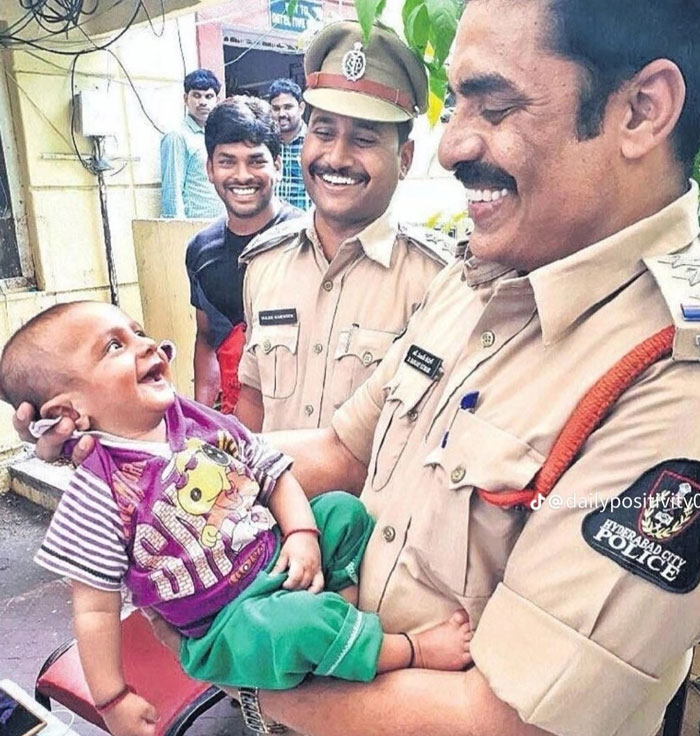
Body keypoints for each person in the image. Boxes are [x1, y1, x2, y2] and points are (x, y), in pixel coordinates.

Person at [15, 0, 700, 733]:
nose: (452, 147)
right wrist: (132, 447)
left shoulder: (672, 380)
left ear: (642, 111)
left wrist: (243, 670)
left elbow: (504, 721)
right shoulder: (483, 279)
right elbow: (343, 449)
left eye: (495, 107)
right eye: (457, 110)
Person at [0, 300, 473, 736]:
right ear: (68, 410)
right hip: (227, 623)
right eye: (114, 346)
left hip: (277, 560)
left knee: (342, 514)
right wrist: (113, 699)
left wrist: (303, 533)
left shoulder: (199, 422)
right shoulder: (96, 493)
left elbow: (273, 470)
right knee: (299, 626)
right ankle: (407, 649)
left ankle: (339, 620)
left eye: (138, 331)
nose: (146, 344)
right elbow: (94, 609)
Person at [235, 22, 453, 433]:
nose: (336, 157)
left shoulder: (436, 283)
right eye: (323, 132)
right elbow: (253, 403)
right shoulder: (265, 265)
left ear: (404, 158)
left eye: (364, 139)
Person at [185, 96, 303, 414]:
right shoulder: (201, 251)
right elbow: (208, 339)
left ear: (276, 164)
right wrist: (204, 418)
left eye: (255, 161)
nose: (242, 175)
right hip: (233, 427)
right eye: (227, 161)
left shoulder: (307, 241)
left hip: (296, 426)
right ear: (210, 168)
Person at [160, 69, 225, 220]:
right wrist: (176, 233)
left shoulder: (219, 135)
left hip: (220, 227)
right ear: (185, 98)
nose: (202, 102)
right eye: (196, 95)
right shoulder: (177, 137)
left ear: (217, 99)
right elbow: (172, 192)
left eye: (208, 96)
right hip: (194, 229)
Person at [268, 78, 311, 211]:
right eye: (276, 108)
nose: (282, 114)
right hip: (273, 224)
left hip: (306, 223)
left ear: (301, 108)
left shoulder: (314, 142)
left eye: (288, 107)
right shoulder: (266, 144)